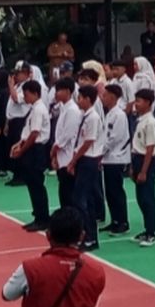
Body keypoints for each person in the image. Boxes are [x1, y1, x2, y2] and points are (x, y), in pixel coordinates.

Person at [68, 85, 106, 252]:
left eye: (81, 98)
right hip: (85, 159)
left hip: (88, 160)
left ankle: (90, 236)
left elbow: (88, 142)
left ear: (89, 99)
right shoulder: (86, 116)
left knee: (81, 200)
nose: (79, 100)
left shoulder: (92, 118)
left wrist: (73, 161)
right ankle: (88, 235)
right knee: (85, 200)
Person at [11, 80, 52, 232]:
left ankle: (42, 218)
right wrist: (19, 143)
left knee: (36, 184)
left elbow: (34, 133)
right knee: (32, 183)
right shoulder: (34, 108)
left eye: (26, 94)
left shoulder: (39, 109)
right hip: (32, 147)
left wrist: (22, 150)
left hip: (36, 149)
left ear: (35, 93)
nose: (25, 97)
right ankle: (38, 215)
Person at [129, 89, 155, 246]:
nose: (136, 104)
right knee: (141, 198)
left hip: (146, 161)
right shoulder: (140, 120)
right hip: (137, 158)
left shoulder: (151, 123)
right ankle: (146, 228)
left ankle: (151, 232)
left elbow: (150, 148)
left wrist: (143, 171)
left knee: (148, 198)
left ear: (148, 103)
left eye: (139, 101)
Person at [99, 84, 131, 236]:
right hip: (108, 158)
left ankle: (123, 222)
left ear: (112, 97)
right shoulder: (110, 113)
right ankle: (115, 220)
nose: (103, 98)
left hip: (116, 157)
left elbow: (114, 138)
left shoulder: (119, 114)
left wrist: (100, 152)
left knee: (116, 191)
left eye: (105, 95)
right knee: (110, 192)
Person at [52, 79, 82, 210]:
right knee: (63, 192)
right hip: (61, 155)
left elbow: (68, 134)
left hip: (68, 156)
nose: (56, 94)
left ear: (68, 92)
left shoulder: (73, 110)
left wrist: (55, 148)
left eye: (59, 91)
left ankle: (72, 222)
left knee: (68, 193)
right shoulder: (64, 108)